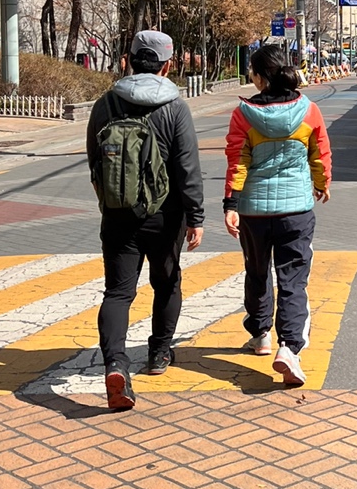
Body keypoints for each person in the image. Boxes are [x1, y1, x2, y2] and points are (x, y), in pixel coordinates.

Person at [86, 30, 204, 412]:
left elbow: (94, 160)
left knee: (118, 293)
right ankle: (159, 354)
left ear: (128, 60)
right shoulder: (175, 107)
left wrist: (109, 201)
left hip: (118, 214)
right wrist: (196, 216)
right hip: (165, 216)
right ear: (167, 66)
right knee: (166, 283)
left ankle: (115, 365)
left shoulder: (106, 103)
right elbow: (187, 168)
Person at [223, 44, 331, 387]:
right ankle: (290, 347)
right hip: (296, 210)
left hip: (253, 211)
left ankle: (260, 335)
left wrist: (230, 204)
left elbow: (238, 162)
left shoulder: (243, 114)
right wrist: (322, 183)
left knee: (256, 272)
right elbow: (320, 152)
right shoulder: (309, 110)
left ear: (258, 77)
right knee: (293, 280)